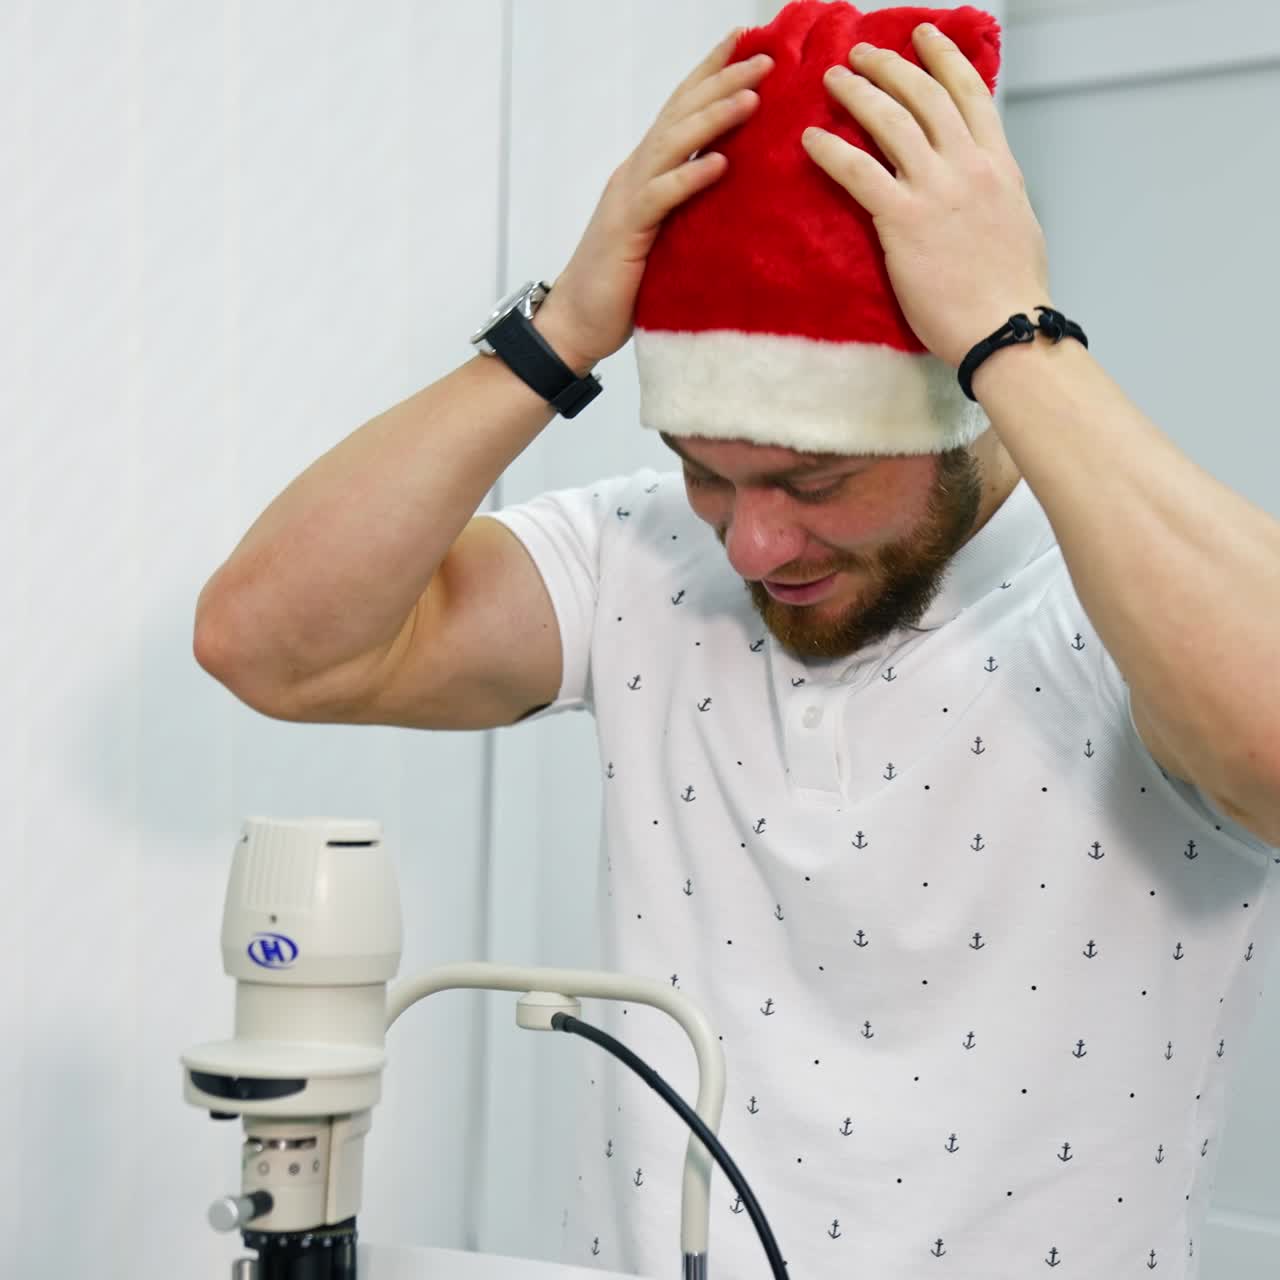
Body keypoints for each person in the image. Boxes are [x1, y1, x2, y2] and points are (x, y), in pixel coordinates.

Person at [194, 5, 1280, 1277]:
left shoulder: (1118, 611)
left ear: (961, 405)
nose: (753, 544)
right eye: (705, 471)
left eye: (814, 482)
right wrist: (554, 337)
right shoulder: (640, 556)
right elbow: (274, 644)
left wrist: (1009, 329)